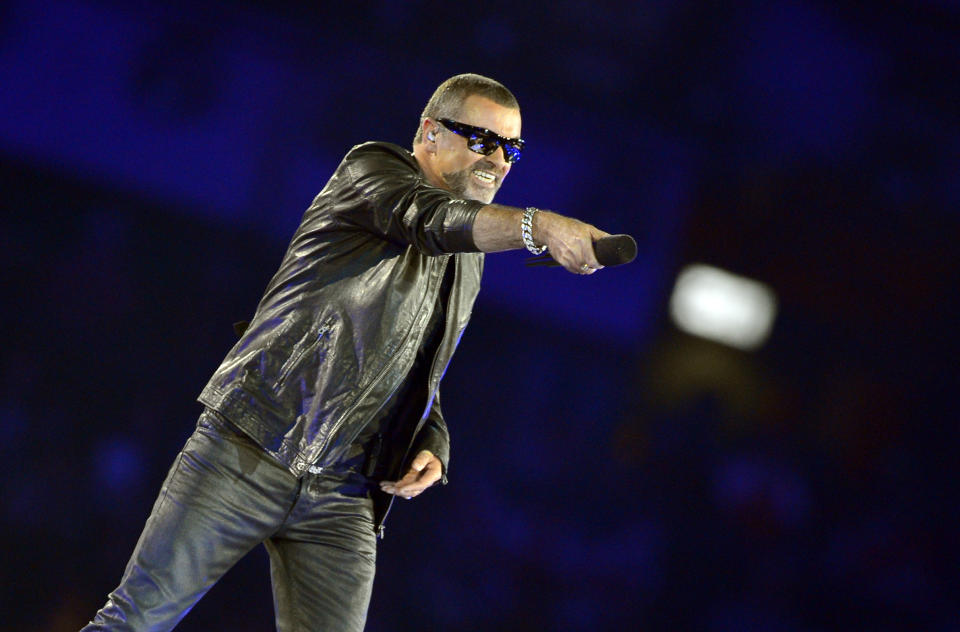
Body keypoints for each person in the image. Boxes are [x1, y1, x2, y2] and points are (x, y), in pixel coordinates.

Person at [83, 73, 609, 631]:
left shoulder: (471, 257)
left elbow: (414, 364)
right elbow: (430, 221)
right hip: (250, 445)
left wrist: (431, 436)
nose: (499, 160)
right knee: (134, 622)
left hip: (346, 492)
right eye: (483, 141)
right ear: (429, 133)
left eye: (512, 148)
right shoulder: (372, 171)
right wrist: (539, 226)